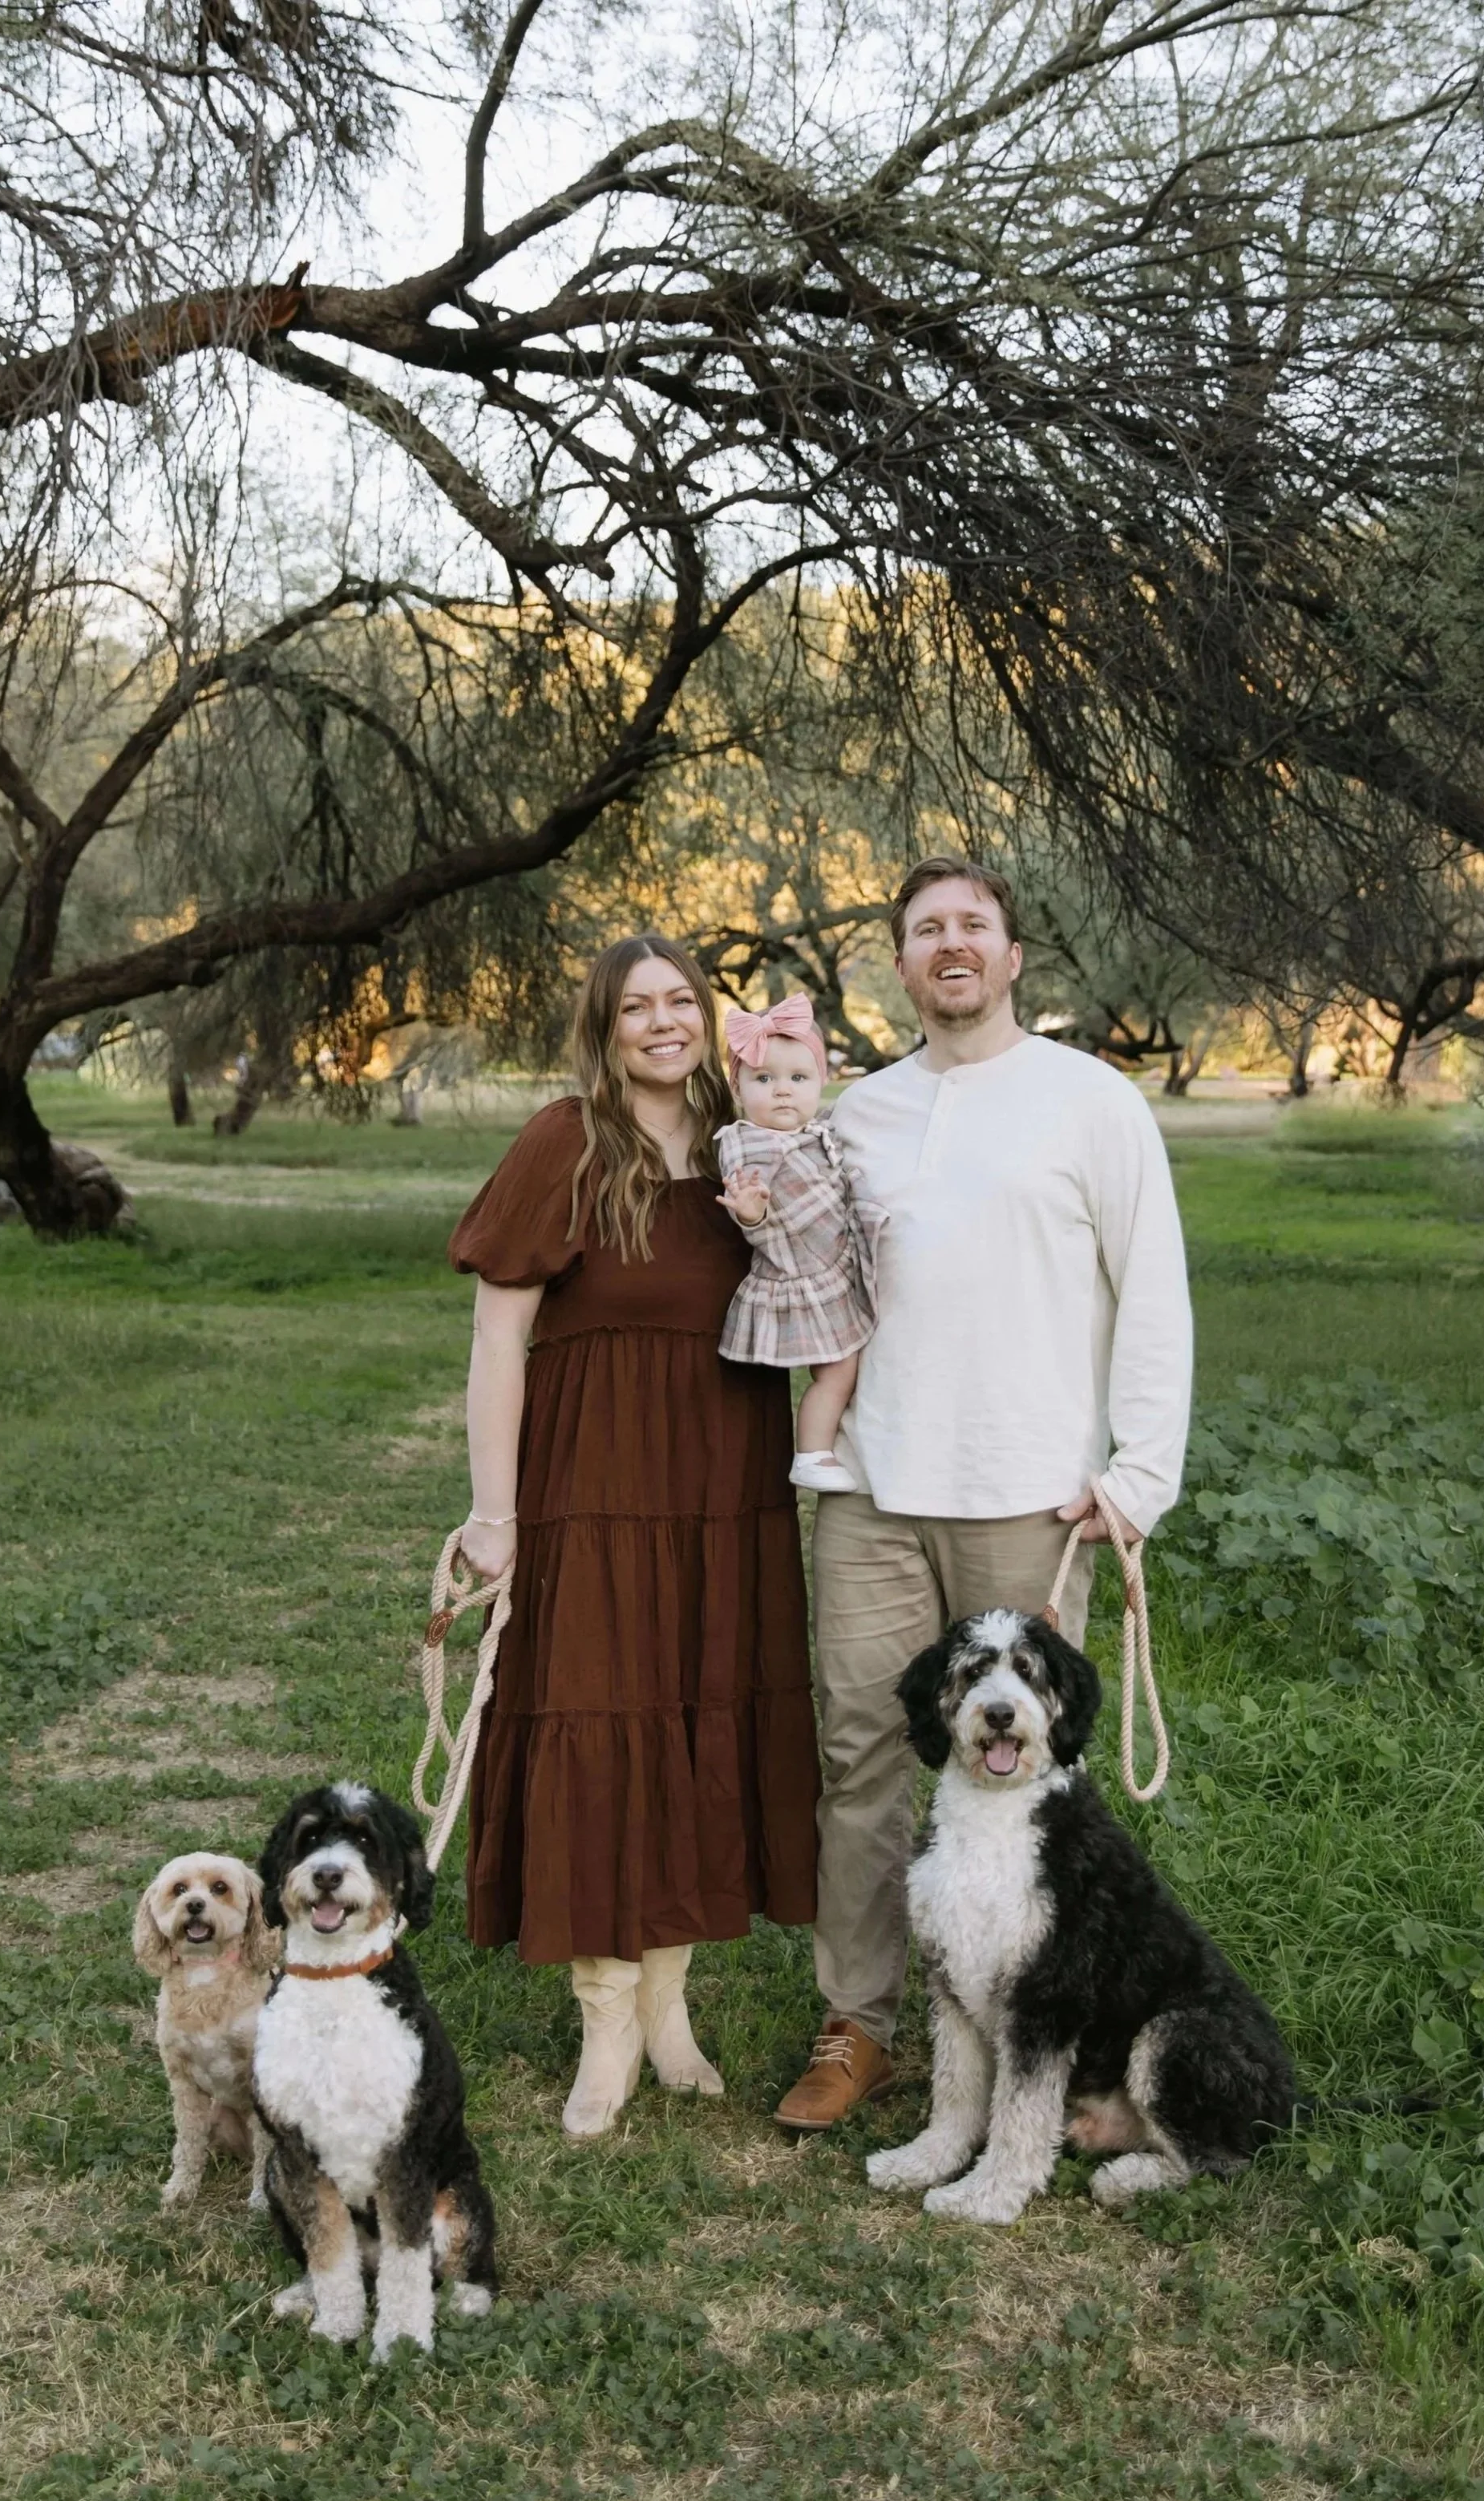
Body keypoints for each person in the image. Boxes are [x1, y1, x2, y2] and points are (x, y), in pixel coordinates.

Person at [774, 855, 1193, 2131]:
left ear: (1014, 956)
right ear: (898, 965)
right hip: (876, 1491)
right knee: (859, 1759)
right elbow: (804, 1283)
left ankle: (1025, 2018)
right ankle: (861, 2023)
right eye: (925, 929)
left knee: (1021, 1770)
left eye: (975, 924)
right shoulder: (856, 1117)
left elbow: (1156, 1289)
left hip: (1035, 1498)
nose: (950, 944)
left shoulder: (1094, 1102)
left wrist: (1139, 1474)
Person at [449, 934, 820, 2139]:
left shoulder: (744, 1135)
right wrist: (493, 1514)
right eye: (638, 1007)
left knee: (697, 1717)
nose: (665, 1022)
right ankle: (606, 2011)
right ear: (605, 1027)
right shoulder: (567, 1139)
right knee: (603, 1717)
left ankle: (670, 2002)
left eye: (682, 1001)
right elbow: (499, 1341)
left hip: (724, 1478)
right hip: (596, 1484)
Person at [714, 991, 884, 1493]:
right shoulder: (749, 1143)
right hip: (804, 1278)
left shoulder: (813, 1131)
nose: (782, 1091)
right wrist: (751, 1209)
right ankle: (811, 1454)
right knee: (837, 1372)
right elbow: (751, 1204)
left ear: (821, 1083)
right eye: (764, 1079)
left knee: (846, 1368)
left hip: (829, 1263)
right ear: (738, 1088)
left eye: (798, 1079)